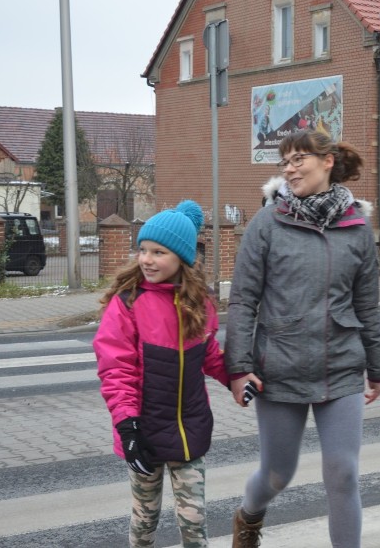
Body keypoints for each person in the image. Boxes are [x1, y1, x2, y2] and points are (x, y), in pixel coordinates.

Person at [225, 129, 380, 548]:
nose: (289, 168)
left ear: (327, 161)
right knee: (278, 474)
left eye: (299, 159)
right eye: (285, 161)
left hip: (342, 366)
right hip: (280, 368)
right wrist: (239, 367)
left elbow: (368, 305)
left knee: (343, 472)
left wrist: (378, 366)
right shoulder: (267, 223)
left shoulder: (356, 228)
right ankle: (249, 516)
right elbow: (243, 301)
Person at [93, 200, 228, 548]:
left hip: (189, 430)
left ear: (181, 258)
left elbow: (209, 354)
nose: (147, 259)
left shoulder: (200, 302)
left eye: (158, 252)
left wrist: (239, 377)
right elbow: (116, 371)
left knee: (195, 521)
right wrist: (128, 427)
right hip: (144, 433)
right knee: (145, 520)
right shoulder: (127, 303)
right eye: (142, 250)